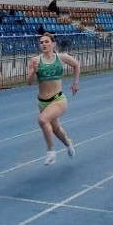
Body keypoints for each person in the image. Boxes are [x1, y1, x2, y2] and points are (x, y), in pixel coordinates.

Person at [26, 33, 80, 165]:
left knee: (42, 120)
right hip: (43, 102)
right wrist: (33, 71)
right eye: (41, 42)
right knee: (55, 129)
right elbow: (29, 82)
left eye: (46, 42)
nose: (43, 44)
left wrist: (76, 83)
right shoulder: (35, 60)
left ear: (53, 44)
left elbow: (76, 65)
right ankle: (68, 143)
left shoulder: (61, 58)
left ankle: (51, 151)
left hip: (58, 99)